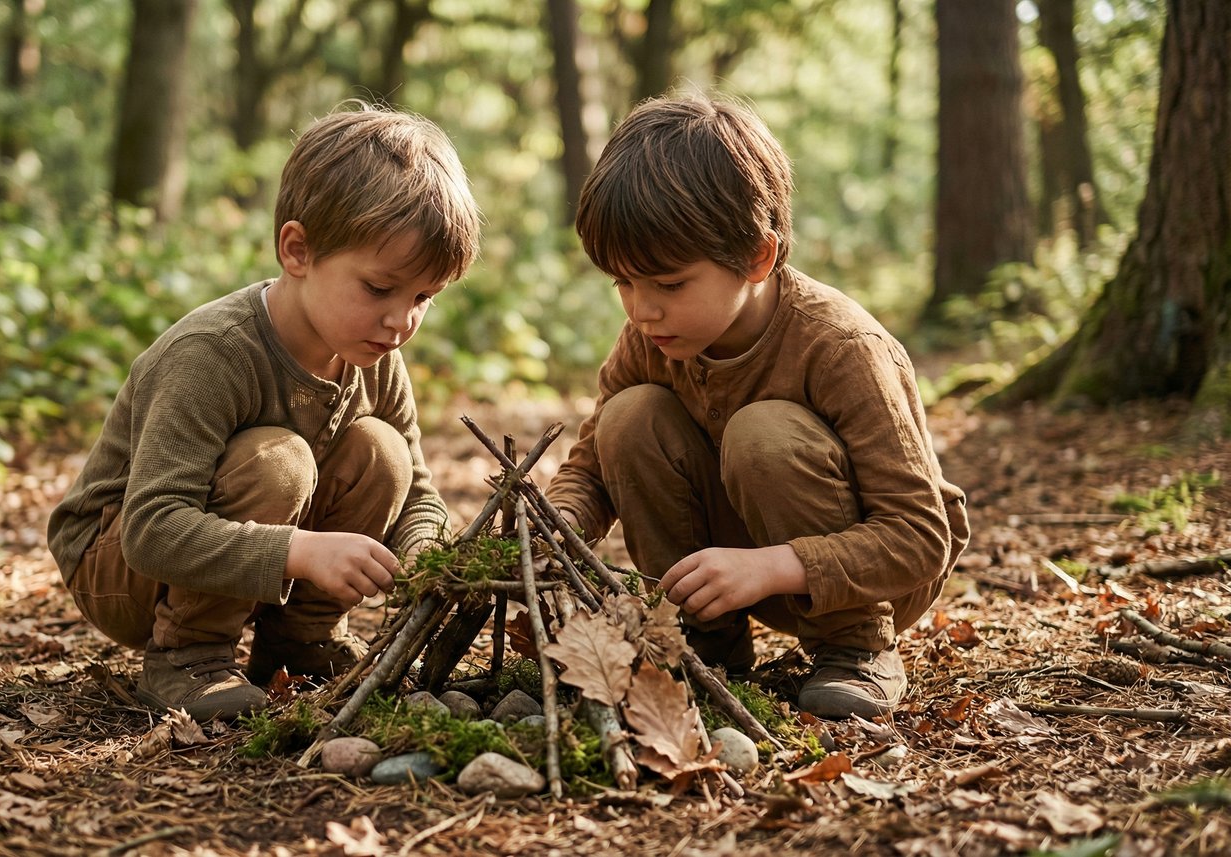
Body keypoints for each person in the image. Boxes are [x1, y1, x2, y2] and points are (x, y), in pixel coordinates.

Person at [47, 103, 481, 722]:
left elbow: (418, 490)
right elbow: (151, 529)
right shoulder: (213, 354)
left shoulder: (375, 352)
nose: (401, 320)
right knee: (277, 461)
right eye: (380, 289)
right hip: (118, 564)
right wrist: (299, 553)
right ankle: (188, 658)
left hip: (217, 546)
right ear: (297, 250)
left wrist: (421, 556)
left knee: (381, 452)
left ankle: (299, 644)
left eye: (424, 298)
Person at [545, 95, 969, 719]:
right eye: (623, 283)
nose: (640, 309)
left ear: (757, 257)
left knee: (763, 432)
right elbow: (589, 472)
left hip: (867, 577)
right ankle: (703, 636)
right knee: (629, 416)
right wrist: (550, 527)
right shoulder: (652, 336)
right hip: (728, 573)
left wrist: (775, 566)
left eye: (668, 284)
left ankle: (855, 647)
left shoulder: (841, 347)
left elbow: (920, 536)